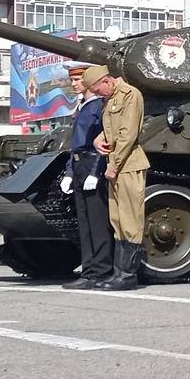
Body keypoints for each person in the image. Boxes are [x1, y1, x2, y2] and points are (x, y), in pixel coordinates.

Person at [88, 65, 147, 291]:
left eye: (97, 90)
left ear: (106, 81)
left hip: (129, 165)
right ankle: (119, 272)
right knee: (118, 220)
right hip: (117, 166)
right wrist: (98, 139)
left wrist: (113, 166)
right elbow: (113, 129)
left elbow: (128, 133)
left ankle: (127, 276)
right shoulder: (111, 98)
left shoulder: (131, 94)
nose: (97, 95)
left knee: (131, 220)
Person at [60, 66, 112, 289]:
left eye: (78, 79)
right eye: (72, 79)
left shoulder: (99, 107)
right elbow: (76, 146)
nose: (74, 83)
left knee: (97, 222)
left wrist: (96, 172)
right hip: (81, 164)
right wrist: (71, 172)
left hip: (93, 164)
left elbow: (105, 141)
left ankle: (100, 270)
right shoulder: (82, 107)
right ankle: (89, 268)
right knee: (85, 222)